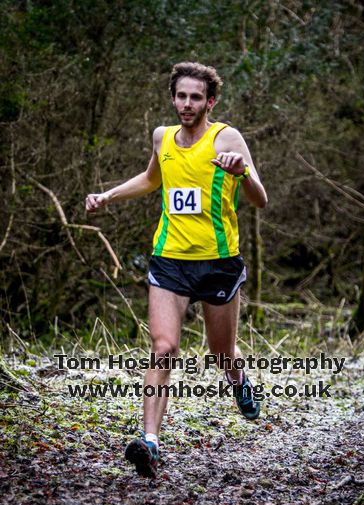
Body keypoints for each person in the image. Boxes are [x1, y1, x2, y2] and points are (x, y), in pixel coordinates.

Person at [85, 62, 268, 478]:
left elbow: (260, 199)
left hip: (219, 262)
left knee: (221, 354)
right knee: (163, 347)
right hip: (170, 261)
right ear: (173, 98)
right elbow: (152, 179)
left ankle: (239, 381)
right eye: (181, 96)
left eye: (196, 97)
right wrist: (108, 196)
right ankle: (149, 442)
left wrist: (242, 173)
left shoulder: (228, 137)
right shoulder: (162, 137)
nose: (187, 104)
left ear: (211, 101)